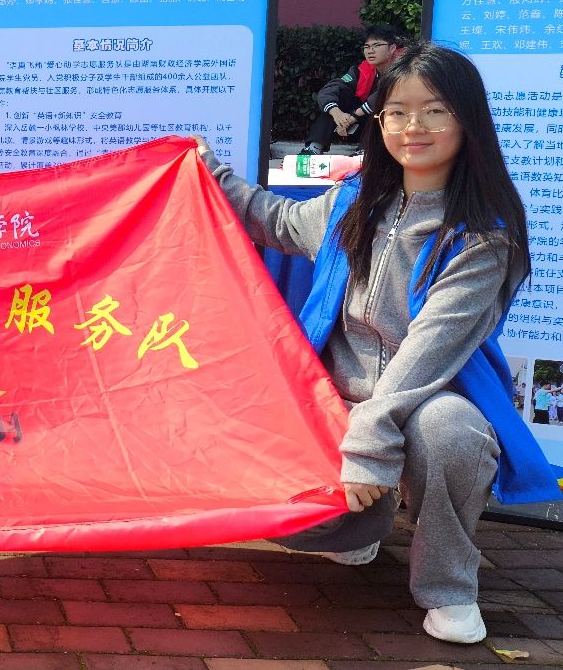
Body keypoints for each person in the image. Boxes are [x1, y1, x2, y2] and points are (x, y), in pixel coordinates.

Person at [196, 43, 557, 644]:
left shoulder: (483, 236)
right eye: (398, 112)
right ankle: (363, 522)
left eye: (435, 110)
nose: (414, 127)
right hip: (336, 393)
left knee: (449, 433)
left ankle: (448, 586)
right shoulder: (354, 203)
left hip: (429, 395)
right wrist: (211, 174)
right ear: (380, 121)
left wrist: (367, 448)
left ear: (468, 119)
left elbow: (428, 351)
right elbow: (276, 221)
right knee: (286, 511)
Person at [300, 24, 409, 155]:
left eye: (377, 45)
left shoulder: (404, 69)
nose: (370, 51)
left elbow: (383, 95)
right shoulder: (361, 71)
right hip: (360, 126)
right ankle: (313, 149)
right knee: (338, 98)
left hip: (394, 127)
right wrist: (337, 114)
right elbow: (331, 88)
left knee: (382, 110)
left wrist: (354, 116)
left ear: (392, 48)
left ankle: (365, 153)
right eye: (367, 47)